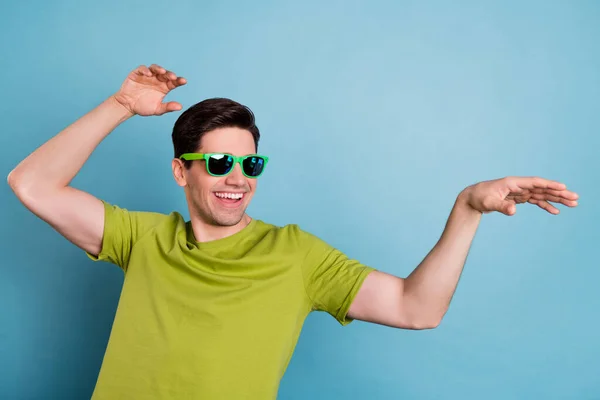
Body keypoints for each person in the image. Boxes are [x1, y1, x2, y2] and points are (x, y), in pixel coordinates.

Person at [7, 64, 579, 399]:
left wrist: (467, 208)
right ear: (181, 170)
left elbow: (416, 308)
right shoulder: (143, 238)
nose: (237, 180)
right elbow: (31, 183)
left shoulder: (295, 255)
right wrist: (122, 104)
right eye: (218, 164)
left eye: (250, 165)